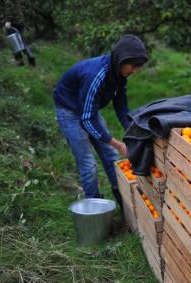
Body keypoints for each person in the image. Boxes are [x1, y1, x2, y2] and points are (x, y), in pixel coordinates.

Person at [53, 35, 148, 207]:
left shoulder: (119, 74)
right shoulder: (95, 75)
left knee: (111, 157)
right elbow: (86, 120)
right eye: (133, 66)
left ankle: (123, 202)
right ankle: (94, 208)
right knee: (89, 165)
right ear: (122, 59)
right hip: (70, 111)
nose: (135, 70)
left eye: (138, 67)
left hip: (88, 109)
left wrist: (134, 132)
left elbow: (121, 107)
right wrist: (118, 144)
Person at [0, 0, 35, 66]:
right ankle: (30, 57)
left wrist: (8, 21)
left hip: (13, 24)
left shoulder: (8, 1)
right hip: (20, 22)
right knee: (21, 41)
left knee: (14, 43)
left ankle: (20, 62)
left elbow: (9, 8)